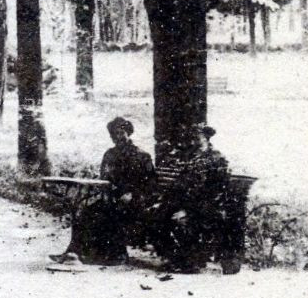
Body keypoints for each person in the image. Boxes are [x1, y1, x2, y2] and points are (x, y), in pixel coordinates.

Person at [49, 117, 157, 266]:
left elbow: (150, 185)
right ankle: (75, 252)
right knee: (85, 210)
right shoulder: (110, 155)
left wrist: (133, 194)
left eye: (120, 133)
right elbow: (105, 179)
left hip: (134, 201)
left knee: (109, 213)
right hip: (113, 198)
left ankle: (115, 255)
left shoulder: (141, 156)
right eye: (113, 135)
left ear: (128, 133)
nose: (117, 138)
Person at [151, 123, 233, 273]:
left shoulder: (216, 159)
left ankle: (192, 262)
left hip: (208, 206)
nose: (194, 141)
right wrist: (165, 204)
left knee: (182, 221)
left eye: (198, 137)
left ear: (206, 138)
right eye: (193, 138)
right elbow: (180, 186)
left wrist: (188, 211)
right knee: (157, 217)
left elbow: (214, 192)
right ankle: (175, 258)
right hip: (188, 203)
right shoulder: (190, 158)